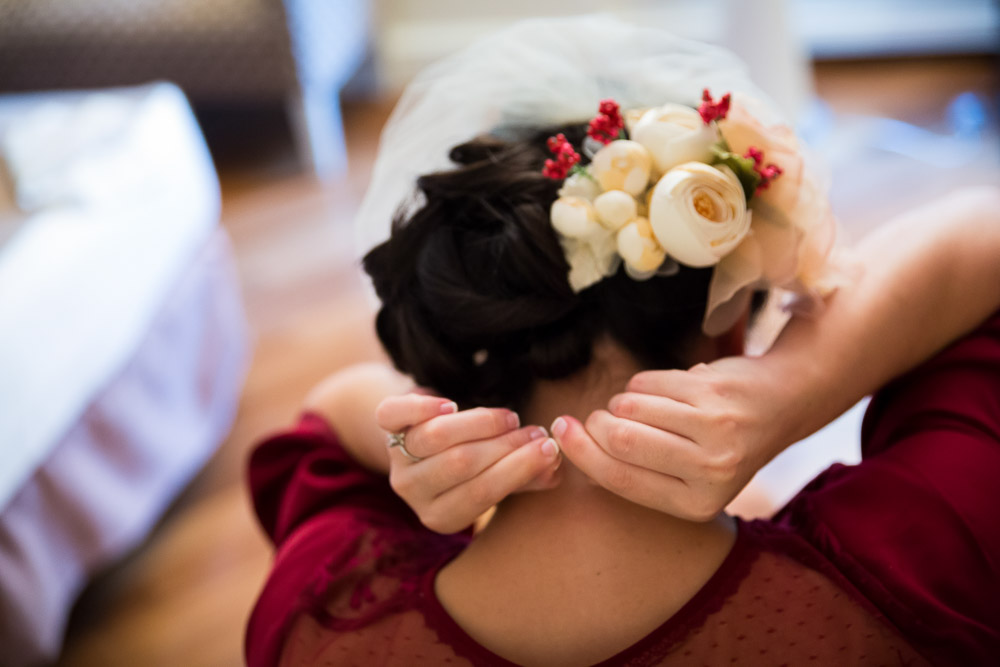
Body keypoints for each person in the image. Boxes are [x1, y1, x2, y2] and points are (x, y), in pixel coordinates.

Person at [245, 17, 1000, 666]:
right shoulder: (910, 577)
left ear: (486, 324)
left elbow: (316, 431)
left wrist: (429, 433)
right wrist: (796, 386)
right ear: (730, 319)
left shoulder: (321, 620)